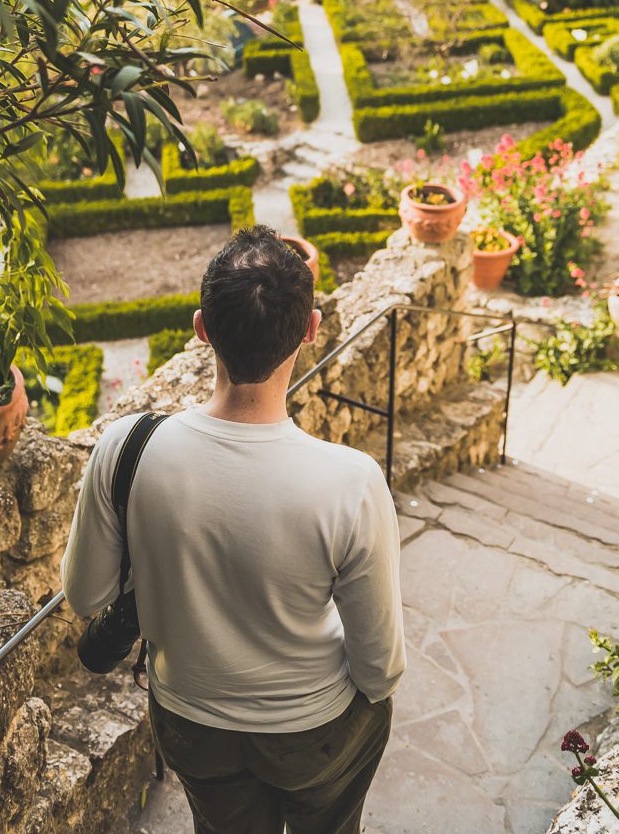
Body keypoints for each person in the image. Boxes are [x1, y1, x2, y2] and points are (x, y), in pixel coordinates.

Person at [61, 224, 406, 834]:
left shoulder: (127, 448)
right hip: (316, 731)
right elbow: (380, 667)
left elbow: (87, 596)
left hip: (192, 723)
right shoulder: (351, 481)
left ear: (201, 329)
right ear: (310, 329)